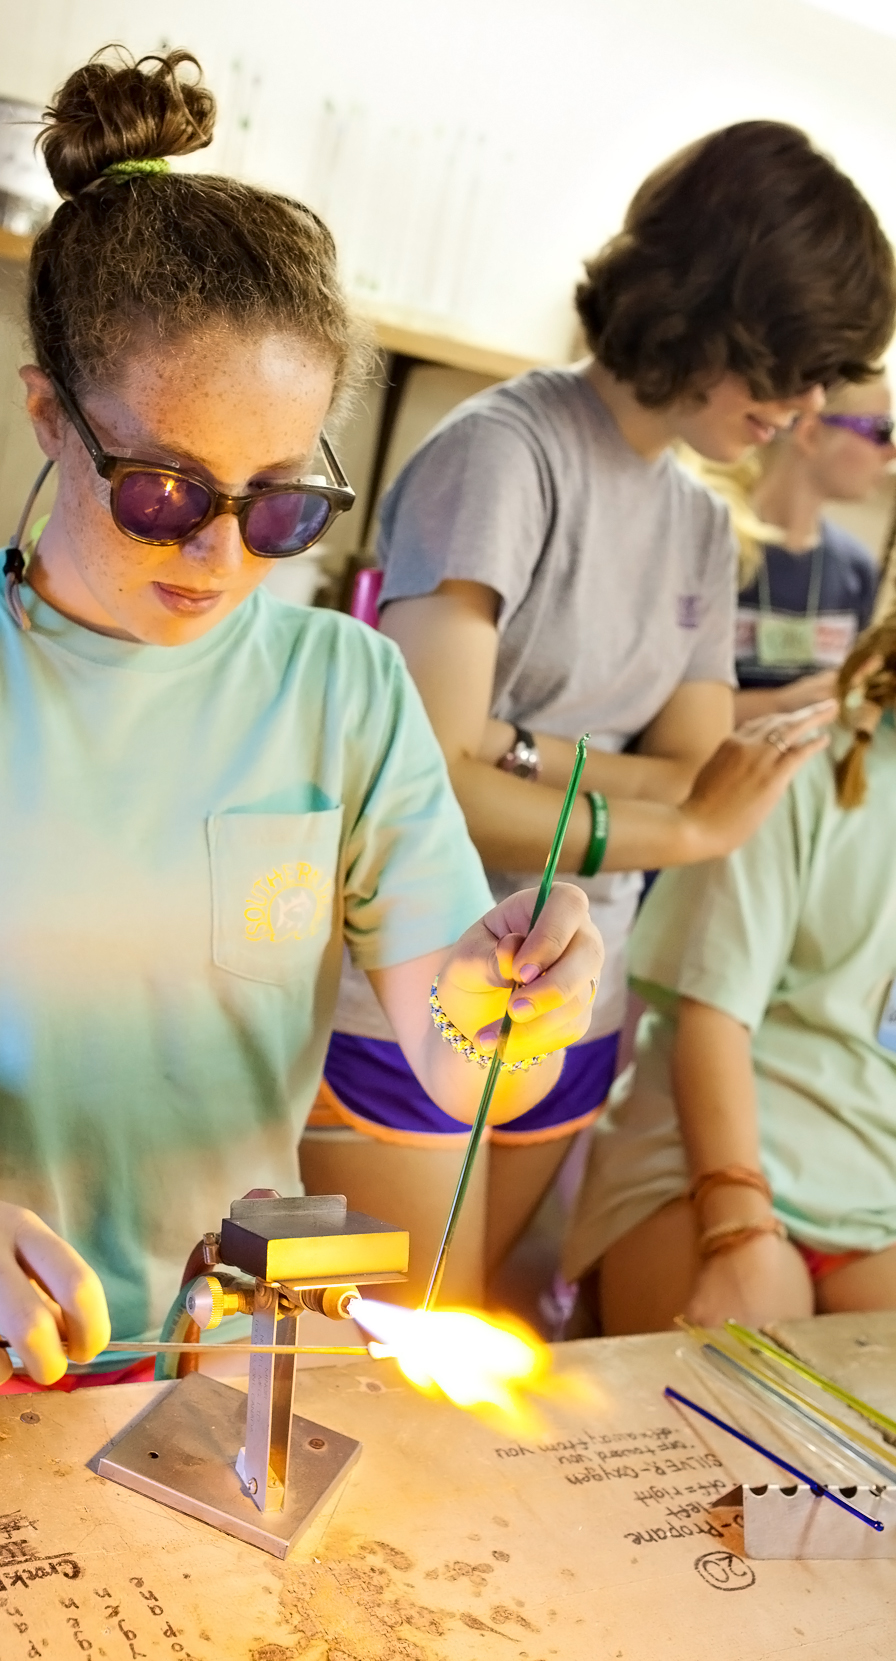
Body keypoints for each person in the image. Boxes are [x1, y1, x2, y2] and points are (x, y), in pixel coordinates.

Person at [0, 47, 602, 1424]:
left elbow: (471, 1064)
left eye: (280, 503)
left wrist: (518, 1000)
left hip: (210, 1316)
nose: (221, 556)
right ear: (48, 416)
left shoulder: (345, 691)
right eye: (165, 493)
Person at [302, 121, 893, 1311]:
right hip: (419, 983)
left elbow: (692, 765)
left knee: (478, 1320)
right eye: (789, 366)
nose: (807, 406)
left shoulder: (699, 521)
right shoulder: (503, 458)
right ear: (712, 313)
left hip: (580, 1001)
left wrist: (517, 747)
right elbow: (426, 787)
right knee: (394, 1354)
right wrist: (675, 829)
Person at [566, 616, 896, 1332]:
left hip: (876, 1195)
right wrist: (739, 1226)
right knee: (740, 1375)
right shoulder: (806, 765)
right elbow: (713, 1020)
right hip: (706, 1158)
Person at [733, 375, 894, 723]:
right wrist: (780, 704)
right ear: (810, 433)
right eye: (880, 430)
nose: (891, 450)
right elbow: (656, 705)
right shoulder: (719, 545)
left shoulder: (857, 570)